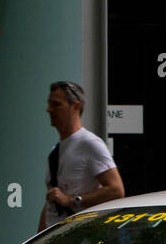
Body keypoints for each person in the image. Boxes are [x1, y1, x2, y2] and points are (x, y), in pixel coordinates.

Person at [38, 80, 125, 232]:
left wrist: (72, 200)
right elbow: (52, 200)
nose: (49, 110)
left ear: (76, 106)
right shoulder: (55, 151)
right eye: (49, 104)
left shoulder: (90, 144)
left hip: (79, 235)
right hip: (55, 238)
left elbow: (116, 190)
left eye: (56, 104)